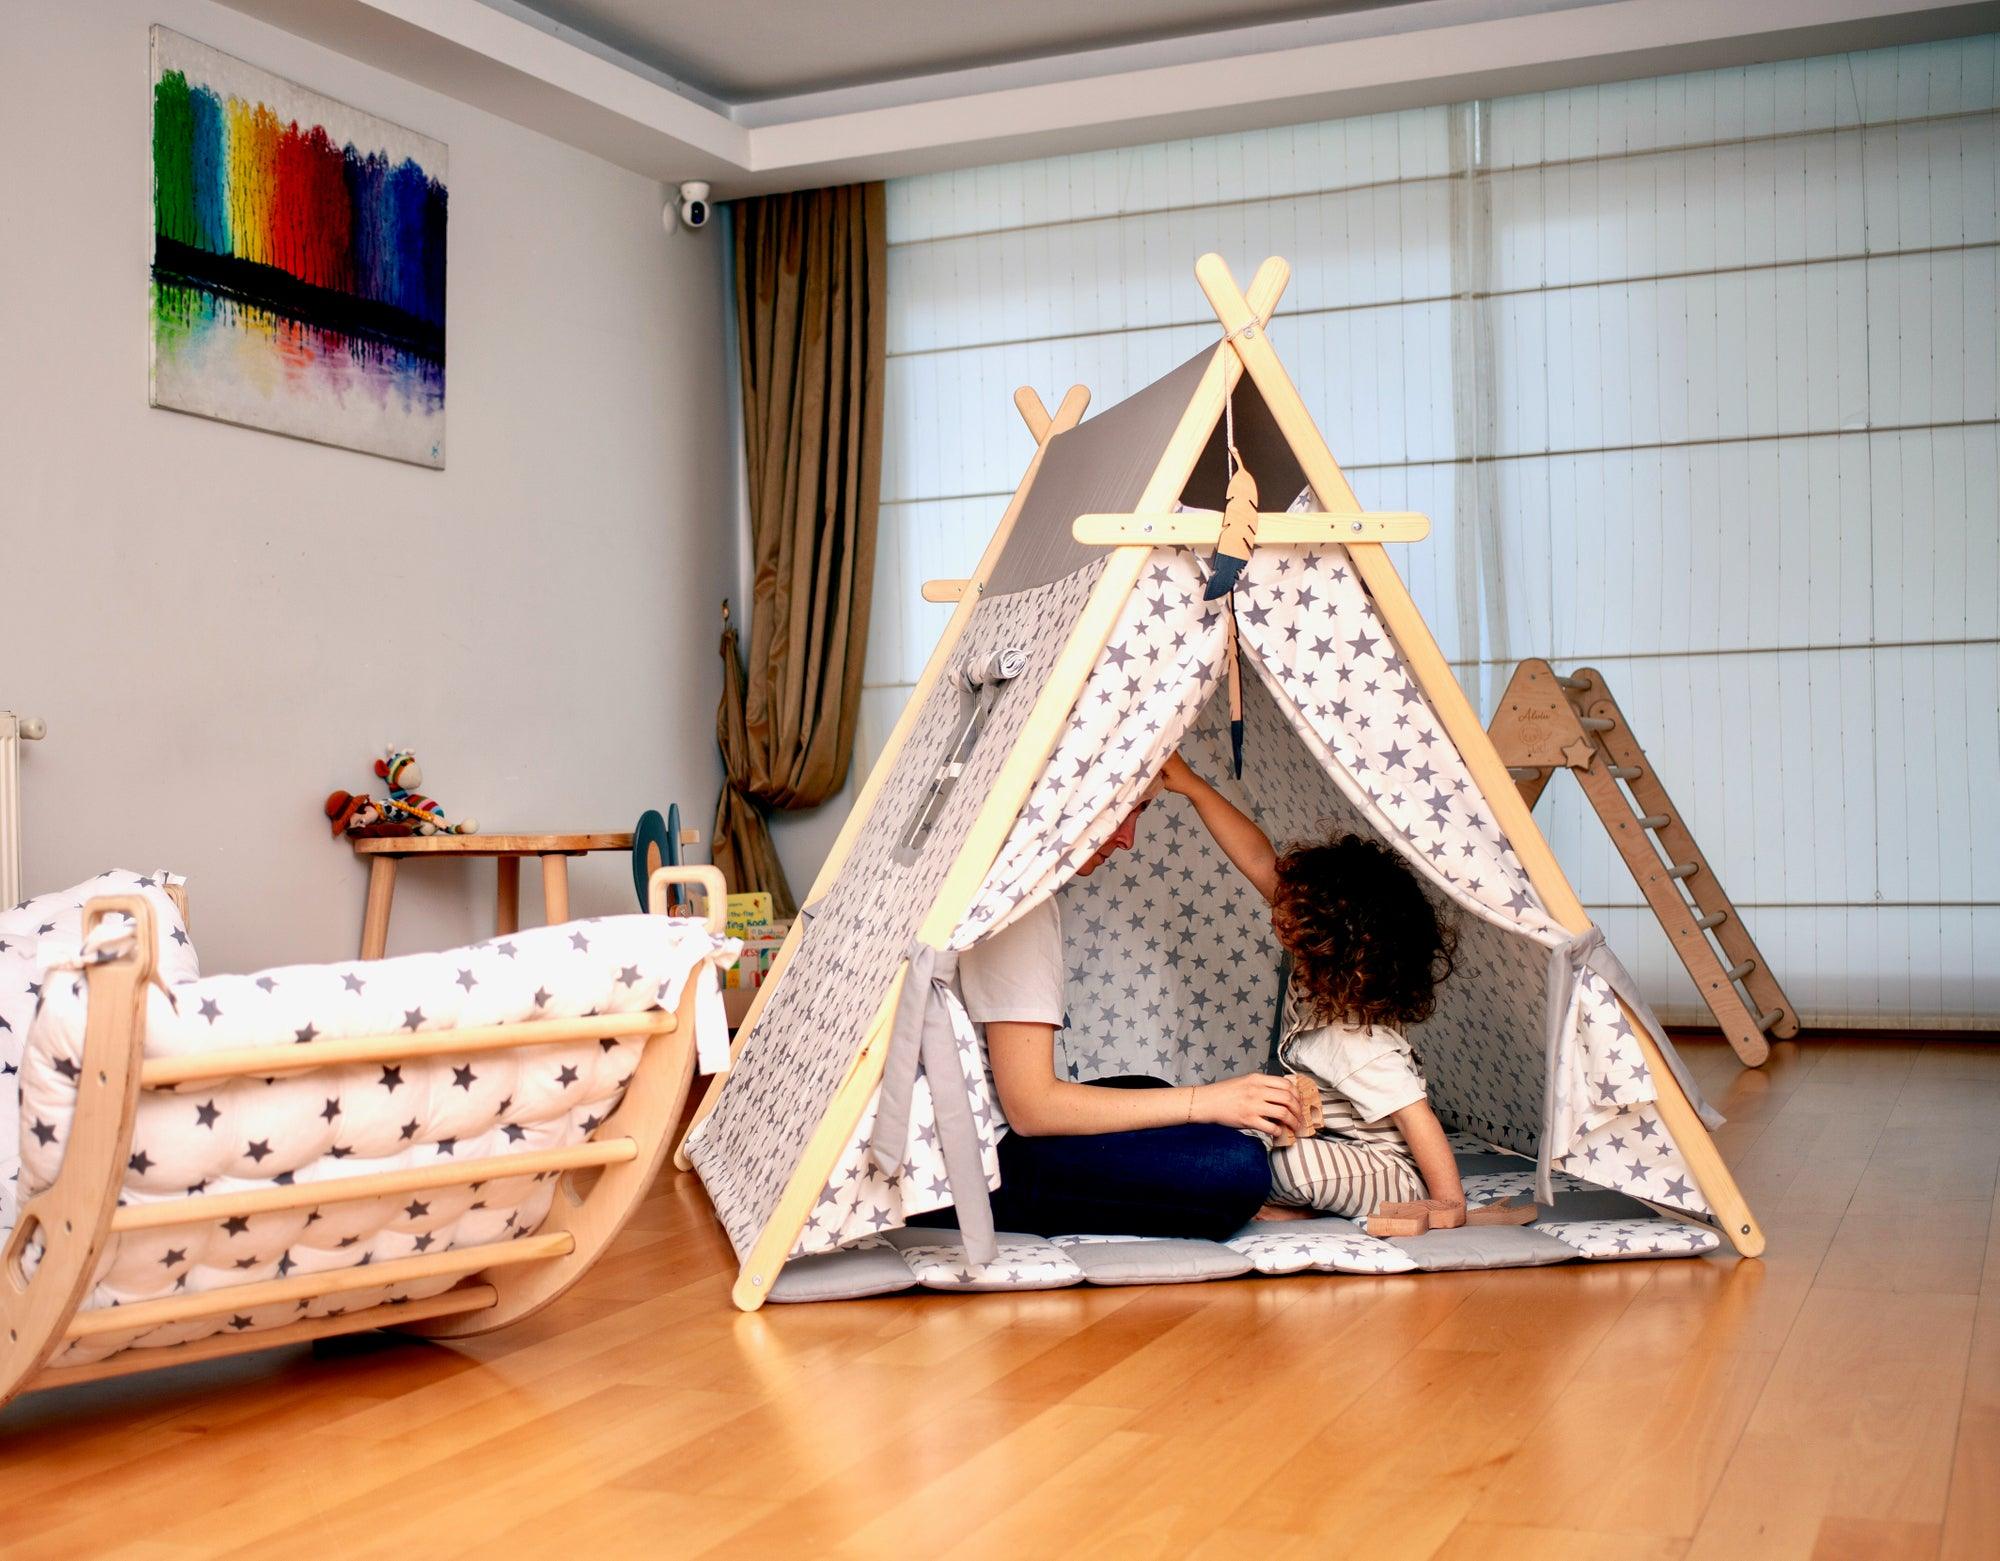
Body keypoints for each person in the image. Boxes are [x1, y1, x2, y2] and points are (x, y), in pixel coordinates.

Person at [929, 787, 1304, 1241]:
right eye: (1124, 810)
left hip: (969, 1138)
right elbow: (1030, 1109)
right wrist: (1211, 1100)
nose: (1128, 838)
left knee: (1148, 1090)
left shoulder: (998, 873)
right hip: (965, 1170)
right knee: (1236, 1167)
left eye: (1140, 811)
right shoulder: (1020, 905)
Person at [1154, 752, 1465, 1221]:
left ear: (1326, 943)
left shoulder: (1357, 1040)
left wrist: (1448, 1203)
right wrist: (1193, 786)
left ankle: (1274, 1205)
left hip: (1392, 1174)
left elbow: (1416, 1117)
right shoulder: (1318, 967)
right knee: (1240, 1133)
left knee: (1272, 1161)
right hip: (1342, 1151)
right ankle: (1287, 1204)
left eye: (1293, 911)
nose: (1277, 908)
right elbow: (1258, 857)